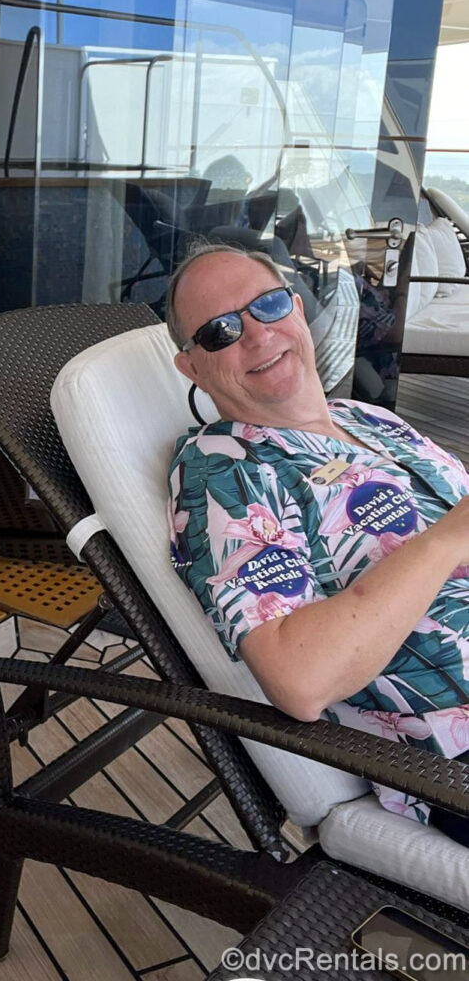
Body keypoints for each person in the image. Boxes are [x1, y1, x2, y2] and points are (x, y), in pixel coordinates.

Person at [166, 242, 469, 845]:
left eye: (269, 305)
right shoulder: (226, 469)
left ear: (299, 312)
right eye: (221, 330)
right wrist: (444, 544)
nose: (256, 334)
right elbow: (299, 677)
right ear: (193, 367)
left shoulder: (369, 419)